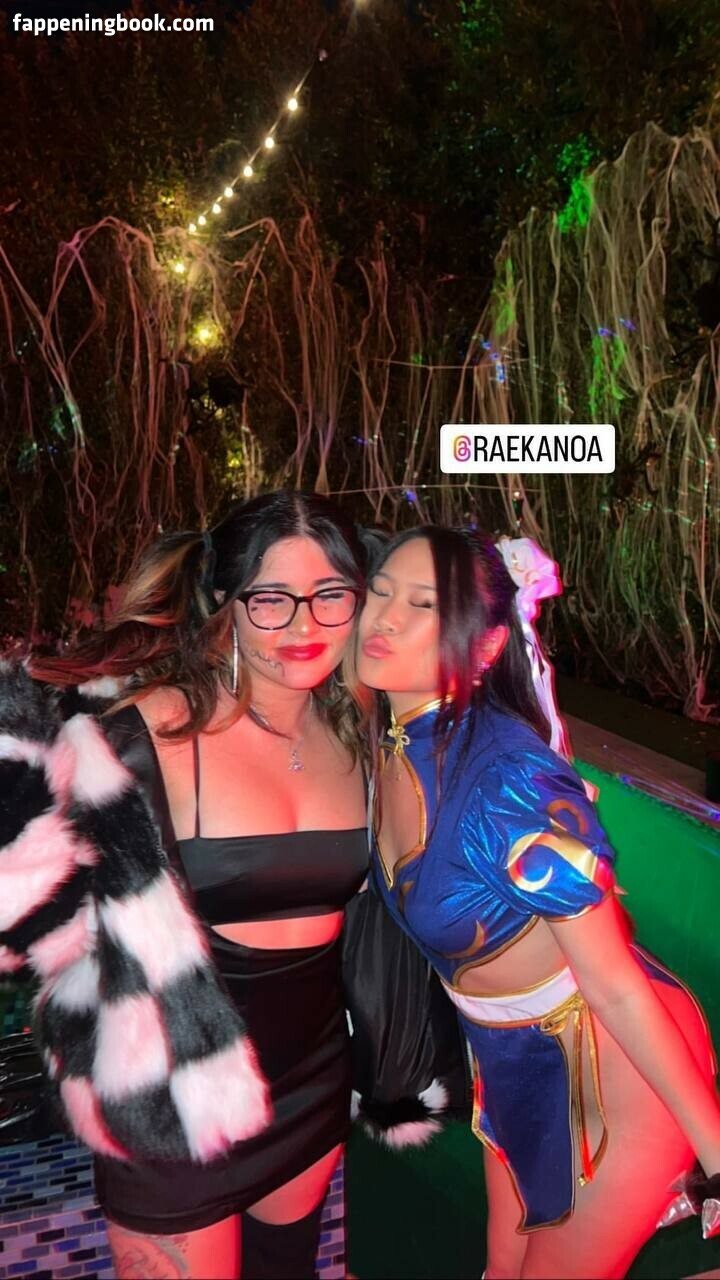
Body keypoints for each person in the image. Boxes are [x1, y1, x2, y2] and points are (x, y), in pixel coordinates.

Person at [15, 491, 371, 1280]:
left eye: (330, 595)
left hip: (313, 1074)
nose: (305, 626)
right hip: (167, 1095)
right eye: (272, 600)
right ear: (224, 600)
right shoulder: (145, 732)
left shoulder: (359, 724)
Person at [355, 524, 720, 1280]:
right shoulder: (389, 737)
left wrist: (718, 1156)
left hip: (614, 1070)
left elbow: (617, 986)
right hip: (512, 1065)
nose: (383, 617)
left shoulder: (507, 781)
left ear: (487, 646)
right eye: (380, 591)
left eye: (422, 604)